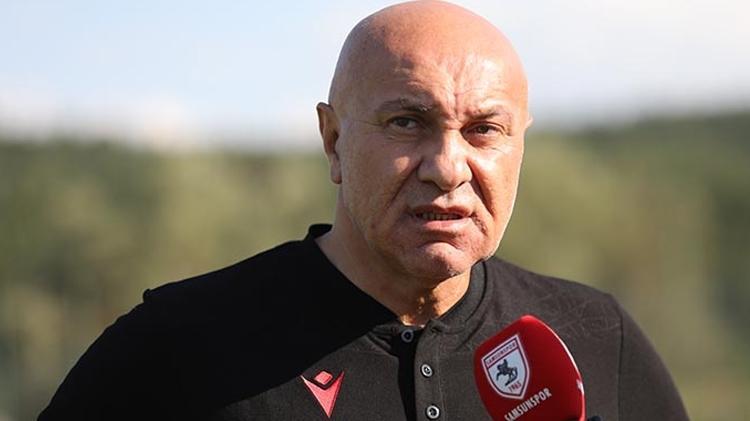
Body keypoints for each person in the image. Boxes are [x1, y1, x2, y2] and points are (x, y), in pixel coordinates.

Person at [39, 1, 688, 420]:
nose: (448, 167)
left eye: (485, 130)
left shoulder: (598, 335)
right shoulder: (177, 343)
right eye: (407, 122)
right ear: (333, 141)